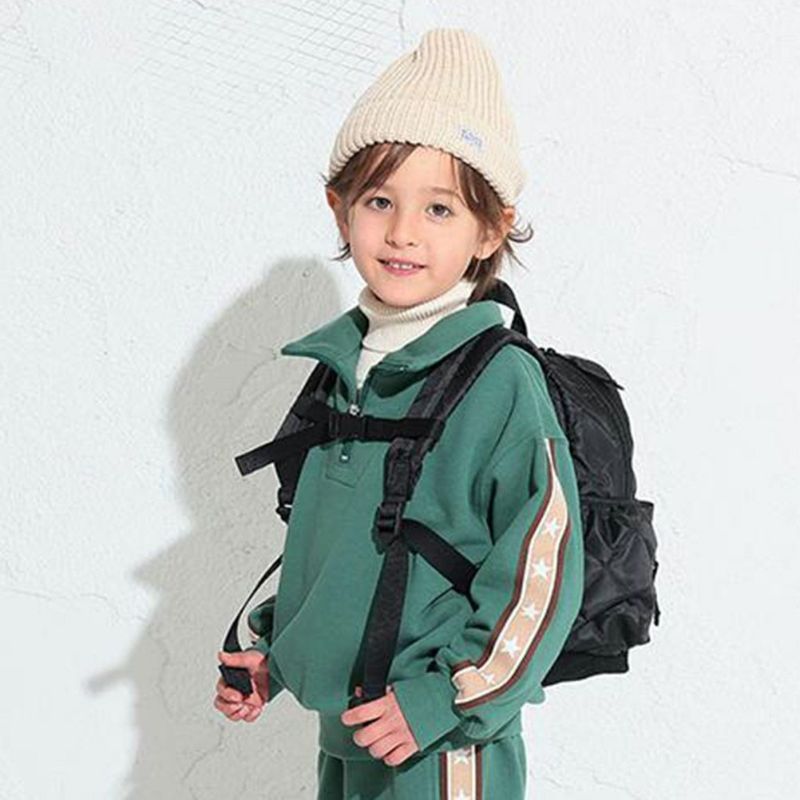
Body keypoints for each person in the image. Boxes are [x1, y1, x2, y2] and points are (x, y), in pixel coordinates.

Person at [213, 27, 584, 799]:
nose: (403, 231)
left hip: (442, 752)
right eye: (380, 200)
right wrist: (278, 655)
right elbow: (344, 551)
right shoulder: (343, 372)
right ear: (340, 210)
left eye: (440, 208)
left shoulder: (500, 380)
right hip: (349, 738)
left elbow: (543, 572)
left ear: (492, 228)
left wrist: (444, 700)